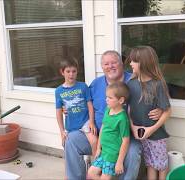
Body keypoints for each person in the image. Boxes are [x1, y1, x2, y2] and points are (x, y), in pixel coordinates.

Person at [64, 50, 162, 180]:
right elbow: (84, 105)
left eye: (114, 62)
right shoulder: (95, 84)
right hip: (99, 134)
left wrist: (160, 108)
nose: (110, 66)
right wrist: (68, 108)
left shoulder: (134, 81)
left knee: (133, 151)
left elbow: (154, 96)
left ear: (121, 63)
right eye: (106, 64)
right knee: (71, 139)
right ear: (102, 67)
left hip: (124, 138)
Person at [127, 46, 172, 180]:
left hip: (156, 135)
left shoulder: (157, 84)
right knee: (150, 164)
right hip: (140, 134)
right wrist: (133, 127)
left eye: (133, 61)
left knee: (161, 164)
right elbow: (128, 109)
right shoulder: (131, 83)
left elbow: (167, 111)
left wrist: (152, 129)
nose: (130, 64)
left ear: (143, 63)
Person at [54, 59, 98, 173]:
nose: (71, 74)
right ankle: (75, 172)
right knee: (66, 145)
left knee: (94, 141)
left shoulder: (83, 86)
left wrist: (92, 122)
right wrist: (61, 131)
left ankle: (95, 168)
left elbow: (90, 105)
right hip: (71, 125)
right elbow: (58, 111)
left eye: (74, 71)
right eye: (68, 71)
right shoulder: (58, 91)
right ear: (62, 72)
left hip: (85, 122)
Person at [88, 82, 130, 179]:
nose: (106, 99)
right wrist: (98, 147)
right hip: (103, 152)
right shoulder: (108, 110)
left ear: (121, 100)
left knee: (105, 177)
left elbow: (125, 141)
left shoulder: (122, 118)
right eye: (106, 97)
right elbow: (103, 128)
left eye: (110, 98)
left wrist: (119, 161)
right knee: (91, 173)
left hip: (112, 155)